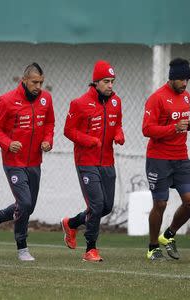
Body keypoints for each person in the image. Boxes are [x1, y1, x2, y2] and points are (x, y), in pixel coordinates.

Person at [0, 63, 55, 261]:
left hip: (34, 161)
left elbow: (49, 123)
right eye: (34, 82)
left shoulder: (46, 99)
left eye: (41, 82)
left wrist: (48, 140)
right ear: (24, 80)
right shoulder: (7, 101)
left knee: (27, 207)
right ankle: (22, 247)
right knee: (24, 203)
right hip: (14, 161)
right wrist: (8, 143)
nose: (38, 86)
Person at [61, 60, 124, 262]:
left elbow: (117, 124)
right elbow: (68, 130)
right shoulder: (79, 103)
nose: (110, 85)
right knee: (96, 206)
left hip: (107, 162)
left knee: (106, 207)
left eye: (112, 81)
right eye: (106, 81)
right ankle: (90, 249)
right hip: (86, 162)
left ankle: (71, 224)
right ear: (95, 82)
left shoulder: (116, 102)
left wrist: (119, 134)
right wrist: (89, 140)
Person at [143, 58, 190, 261]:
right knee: (160, 204)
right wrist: (173, 128)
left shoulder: (186, 97)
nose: (185, 83)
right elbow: (147, 129)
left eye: (187, 79)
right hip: (159, 158)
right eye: (181, 79)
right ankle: (152, 247)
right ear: (172, 78)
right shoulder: (157, 98)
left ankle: (168, 235)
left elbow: (179, 122)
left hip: (181, 157)